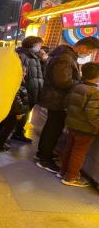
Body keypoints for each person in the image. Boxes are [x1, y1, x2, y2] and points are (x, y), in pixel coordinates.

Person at [36, 37, 99, 173]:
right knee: (53, 130)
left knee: (51, 128)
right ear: (83, 47)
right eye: (89, 52)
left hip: (55, 98)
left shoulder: (64, 55)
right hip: (56, 99)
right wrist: (83, 83)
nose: (88, 55)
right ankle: (44, 159)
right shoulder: (65, 57)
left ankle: (43, 154)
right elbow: (62, 81)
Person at [57, 62, 99, 187]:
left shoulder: (77, 86)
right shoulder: (95, 91)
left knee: (69, 149)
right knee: (79, 152)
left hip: (72, 124)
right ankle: (71, 177)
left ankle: (63, 172)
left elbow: (66, 103)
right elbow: (92, 115)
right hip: (86, 128)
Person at [12, 36, 44, 143]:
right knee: (22, 113)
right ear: (33, 45)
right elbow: (21, 75)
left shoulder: (33, 56)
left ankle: (17, 132)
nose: (40, 47)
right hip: (27, 90)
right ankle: (17, 133)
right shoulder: (23, 56)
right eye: (39, 45)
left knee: (24, 113)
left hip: (31, 89)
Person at [0, 66, 30, 152]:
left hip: (8, 108)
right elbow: (16, 99)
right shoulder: (16, 83)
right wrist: (19, 112)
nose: (25, 74)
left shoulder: (9, 80)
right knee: (7, 128)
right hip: (14, 111)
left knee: (2, 125)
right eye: (24, 72)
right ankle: (0, 146)